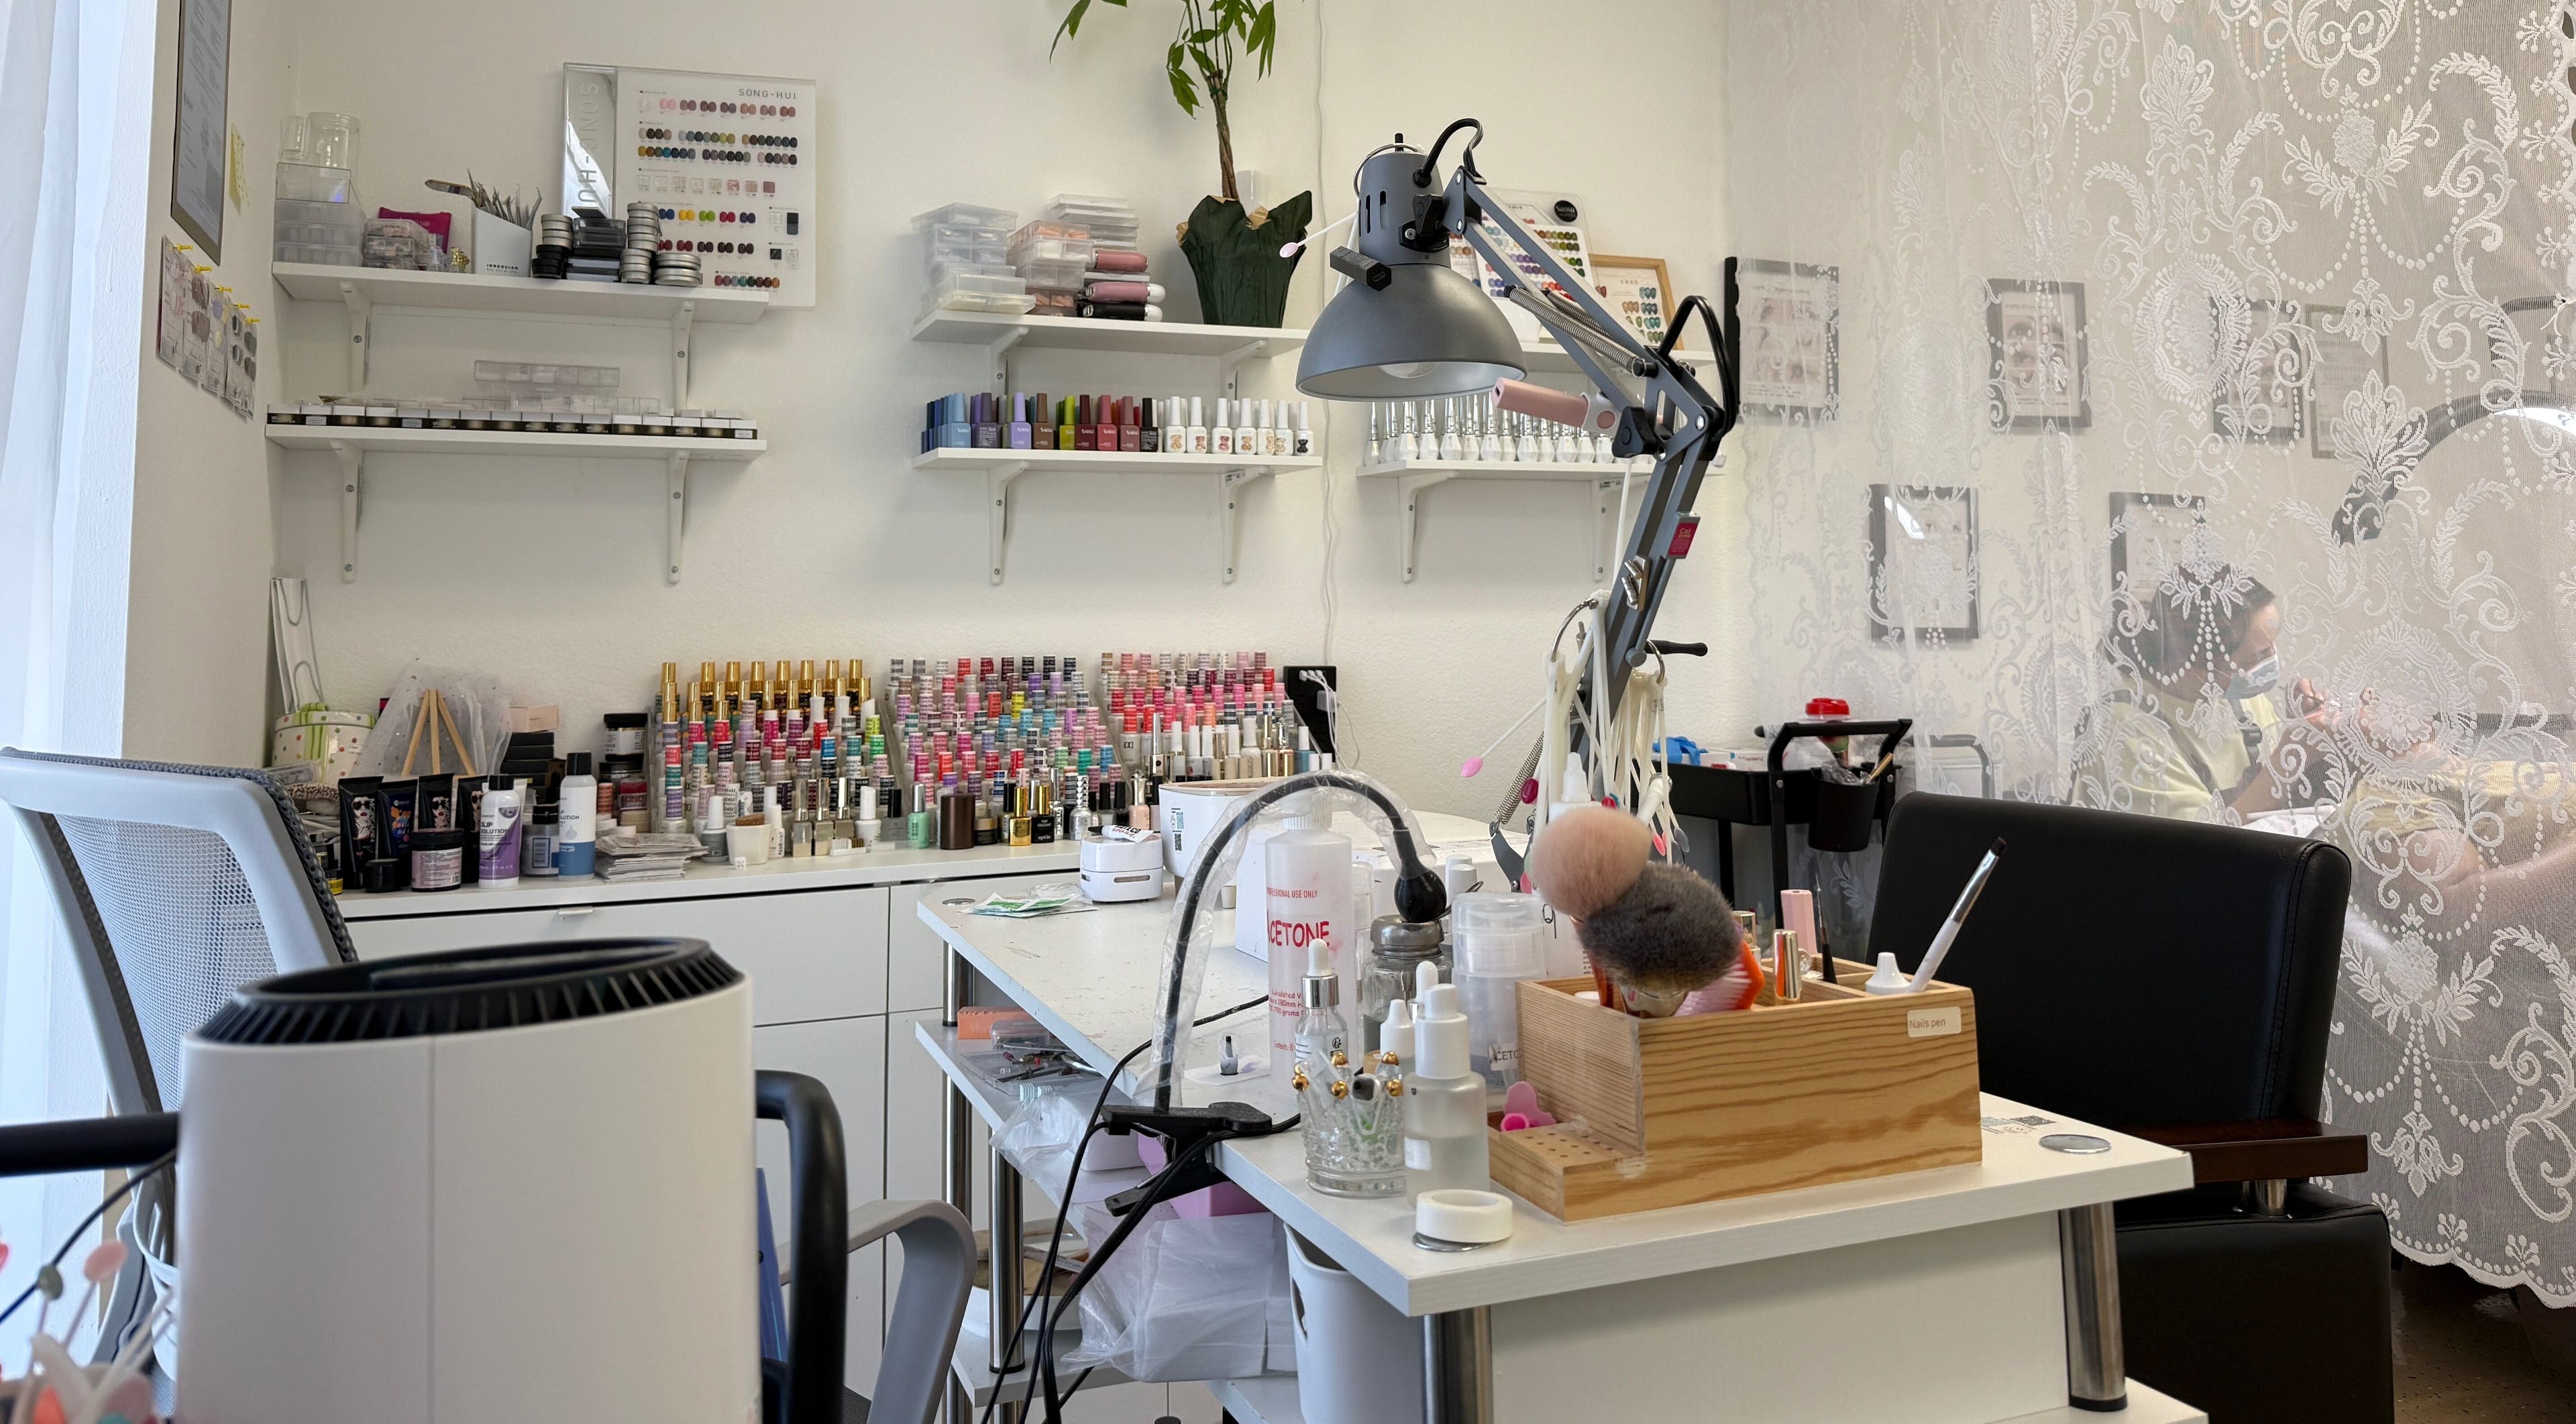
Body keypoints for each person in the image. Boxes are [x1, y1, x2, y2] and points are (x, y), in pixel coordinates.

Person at [2073, 567, 2331, 821]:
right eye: (2258, 655)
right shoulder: (2123, 725)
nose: (2273, 661)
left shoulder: (2240, 696)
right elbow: (2200, 837)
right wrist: (2290, 758)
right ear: (2203, 665)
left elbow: (2282, 801)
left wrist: (2301, 729)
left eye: (2272, 647)